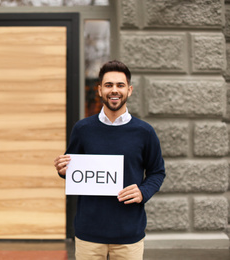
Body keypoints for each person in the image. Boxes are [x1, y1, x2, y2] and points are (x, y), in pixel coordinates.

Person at [54, 60, 165, 260]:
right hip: (89, 234)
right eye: (109, 85)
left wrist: (143, 191)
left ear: (129, 90)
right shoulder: (83, 129)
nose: (114, 90)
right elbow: (72, 170)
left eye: (120, 85)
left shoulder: (145, 132)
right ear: (100, 90)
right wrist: (63, 170)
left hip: (128, 233)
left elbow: (157, 172)